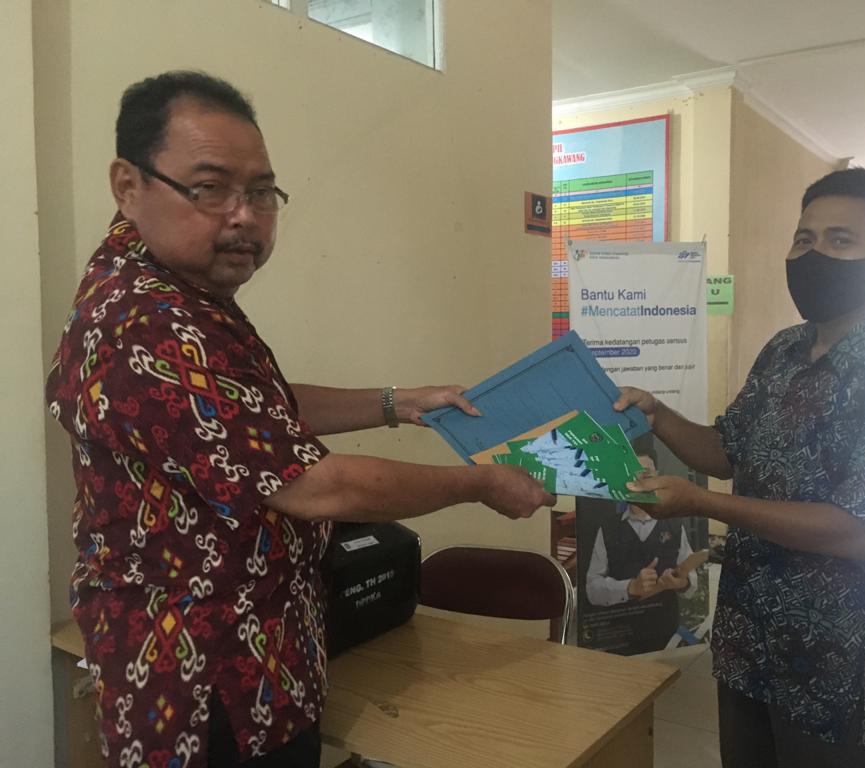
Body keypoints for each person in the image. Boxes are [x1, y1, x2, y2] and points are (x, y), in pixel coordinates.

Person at [45, 71, 554, 768]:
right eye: (210, 188)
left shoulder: (173, 286)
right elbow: (318, 487)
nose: (244, 217)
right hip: (207, 688)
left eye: (261, 192)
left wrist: (397, 403)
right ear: (128, 185)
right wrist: (480, 484)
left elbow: (252, 412)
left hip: (262, 656)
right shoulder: (147, 321)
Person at [615, 168, 865, 767]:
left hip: (835, 663)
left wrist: (701, 503)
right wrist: (656, 413)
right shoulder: (782, 350)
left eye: (840, 241)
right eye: (804, 239)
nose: (814, 255)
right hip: (747, 638)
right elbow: (725, 451)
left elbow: (860, 531)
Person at [584, 453, 698, 654]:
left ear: (657, 477)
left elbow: (691, 576)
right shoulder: (608, 528)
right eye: (634, 474)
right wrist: (630, 587)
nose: (642, 480)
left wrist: (682, 582)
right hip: (619, 636)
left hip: (667, 634)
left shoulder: (674, 524)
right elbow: (592, 588)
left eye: (647, 474)